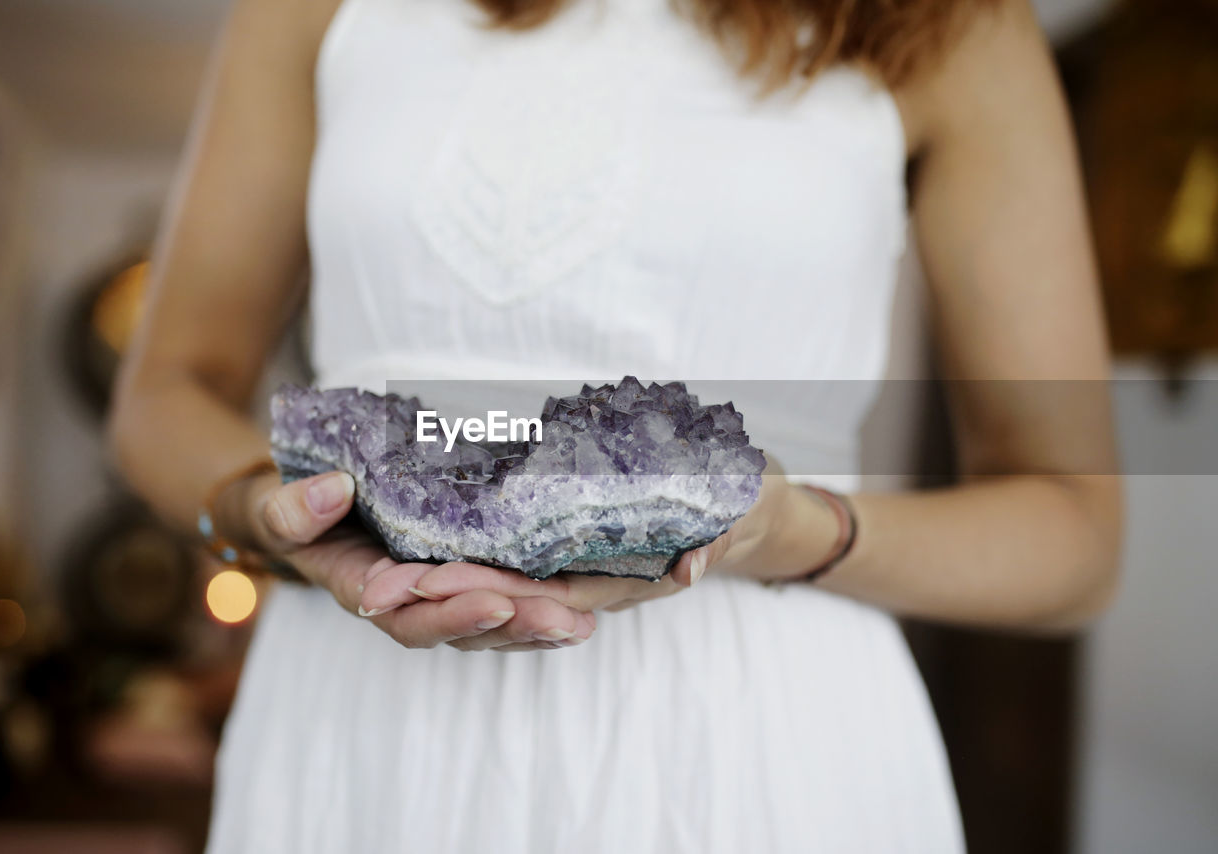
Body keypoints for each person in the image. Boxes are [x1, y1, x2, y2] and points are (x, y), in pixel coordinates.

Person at [109, 0, 1122, 850]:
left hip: (755, 741)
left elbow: (1074, 533)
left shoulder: (953, 25)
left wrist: (783, 525)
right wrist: (263, 508)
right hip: (358, 714)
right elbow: (165, 393)